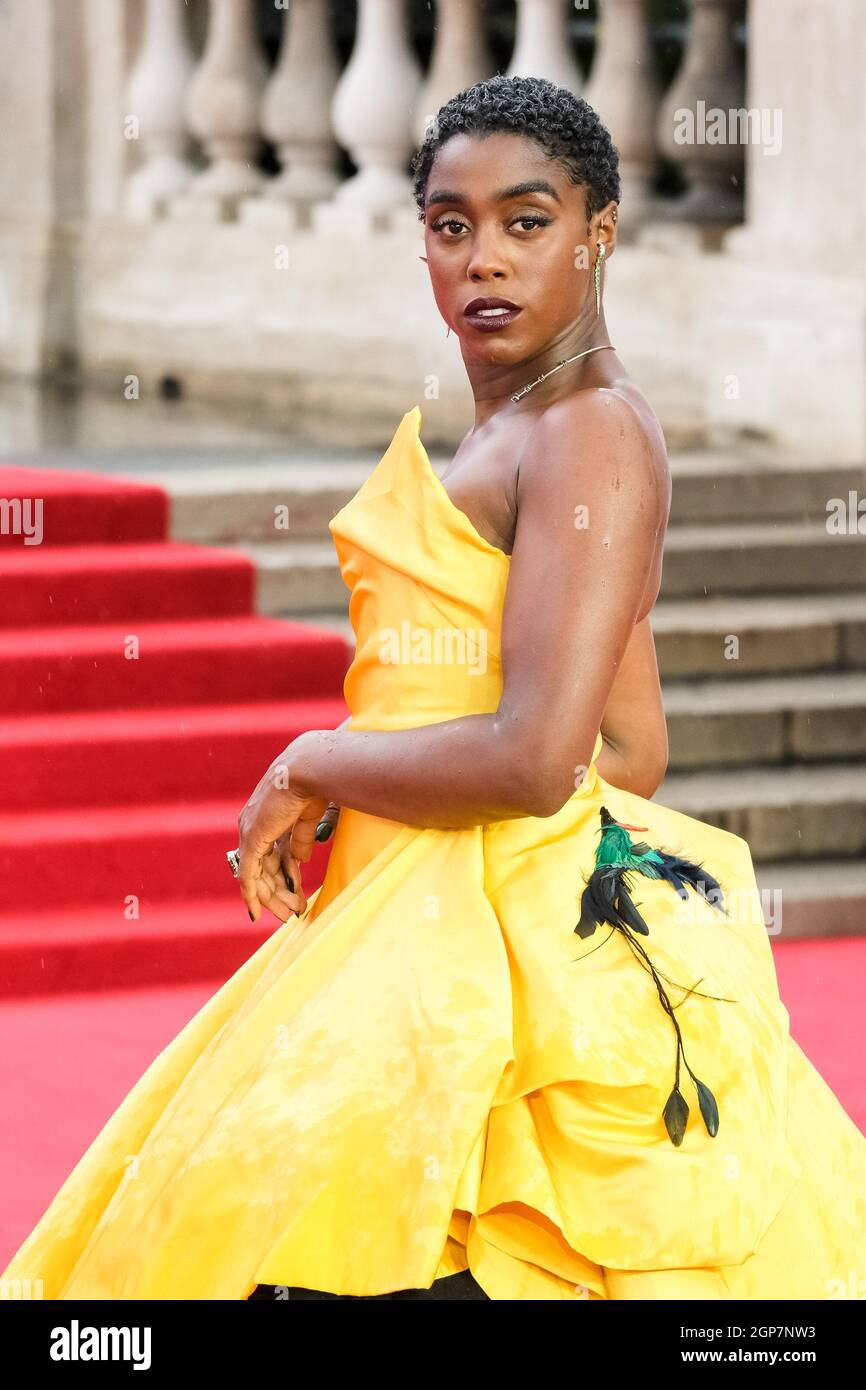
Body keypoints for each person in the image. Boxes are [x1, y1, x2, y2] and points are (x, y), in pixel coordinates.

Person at [4, 75, 865, 1302]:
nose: (483, 261)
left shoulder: (584, 433)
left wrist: (312, 761)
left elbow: (536, 760)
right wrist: (391, 781)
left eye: (527, 222)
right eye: (451, 226)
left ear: (599, 235)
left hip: (491, 945)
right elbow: (629, 744)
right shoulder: (522, 427)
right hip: (425, 903)